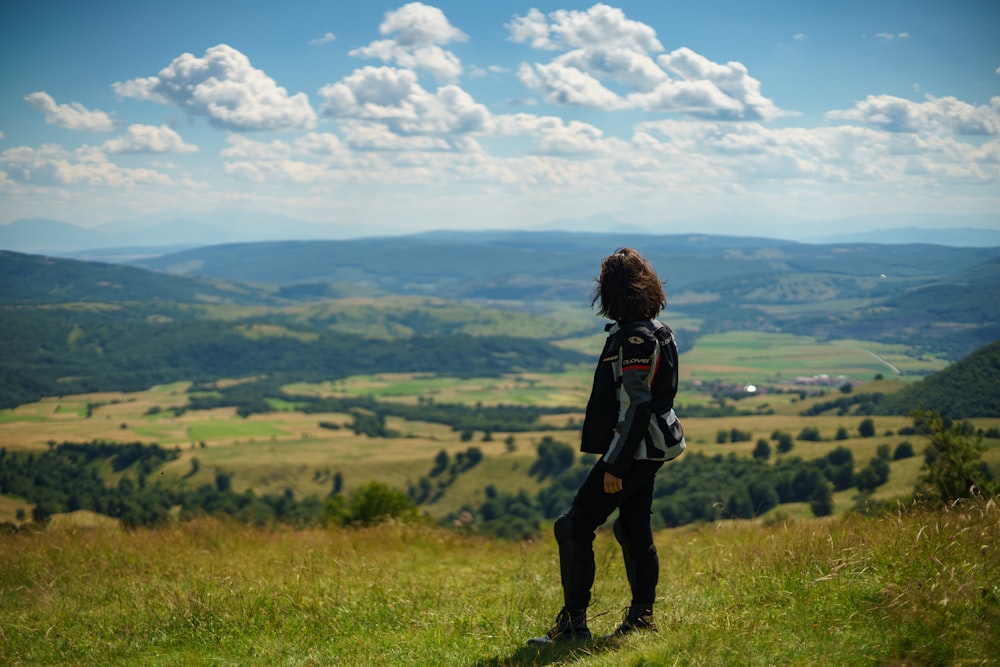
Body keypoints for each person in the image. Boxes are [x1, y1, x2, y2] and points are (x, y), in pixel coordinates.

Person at [528, 247, 685, 644]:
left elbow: (636, 406)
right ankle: (641, 619)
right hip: (651, 448)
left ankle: (572, 627)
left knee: (573, 525)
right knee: (632, 528)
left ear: (611, 292)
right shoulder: (655, 329)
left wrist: (615, 464)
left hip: (634, 449)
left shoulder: (633, 338)